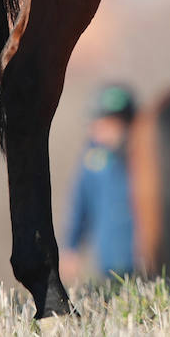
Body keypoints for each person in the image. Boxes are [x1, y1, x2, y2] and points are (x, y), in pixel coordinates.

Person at [61, 84, 137, 282]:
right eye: (102, 123)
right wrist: (71, 246)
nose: (107, 131)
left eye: (115, 124)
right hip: (108, 260)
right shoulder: (91, 162)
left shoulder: (145, 161)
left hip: (144, 259)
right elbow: (80, 205)